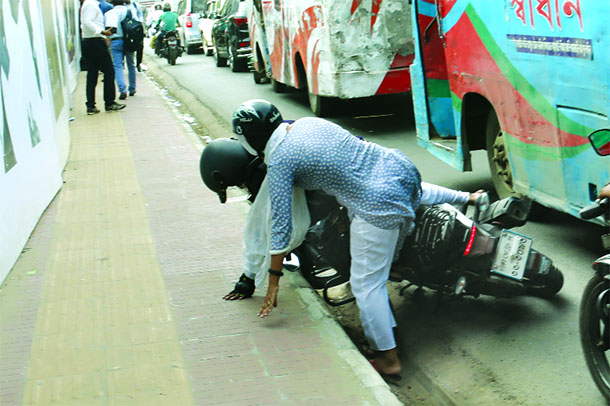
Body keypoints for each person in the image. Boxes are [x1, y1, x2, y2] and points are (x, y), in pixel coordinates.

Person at [201, 99, 484, 377]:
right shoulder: (307, 124)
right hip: (398, 167)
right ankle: (468, 197)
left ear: (249, 138)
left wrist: (272, 279)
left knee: (366, 284)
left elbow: (280, 227)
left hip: (376, 206)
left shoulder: (281, 164)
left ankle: (388, 358)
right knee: (390, 195)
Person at [80, 0, 126, 114]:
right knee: (109, 71)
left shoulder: (90, 4)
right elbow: (86, 22)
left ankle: (91, 105)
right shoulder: (91, 5)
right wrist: (102, 32)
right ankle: (109, 103)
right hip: (95, 41)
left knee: (92, 73)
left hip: (90, 41)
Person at [105, 0, 136, 99]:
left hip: (115, 41)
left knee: (118, 66)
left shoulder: (109, 13)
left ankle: (122, 90)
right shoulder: (130, 11)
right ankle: (132, 88)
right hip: (129, 40)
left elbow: (110, 30)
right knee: (131, 64)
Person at [126, 0, 145, 71]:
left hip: (136, 27)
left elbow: (140, 15)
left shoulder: (136, 5)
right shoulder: (122, 5)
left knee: (140, 46)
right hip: (126, 27)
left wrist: (140, 24)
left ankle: (138, 63)